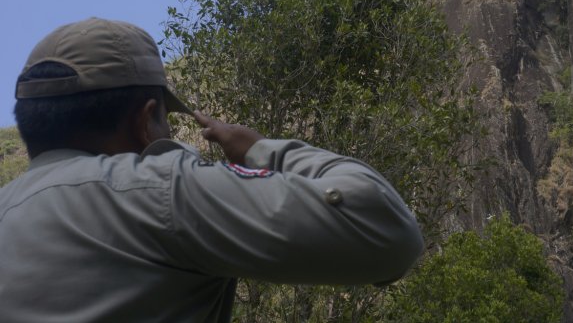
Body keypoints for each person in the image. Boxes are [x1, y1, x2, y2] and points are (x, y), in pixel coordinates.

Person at [0, 17, 424, 322]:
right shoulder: (159, 193)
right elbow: (385, 230)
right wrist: (263, 150)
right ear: (146, 121)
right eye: (166, 118)